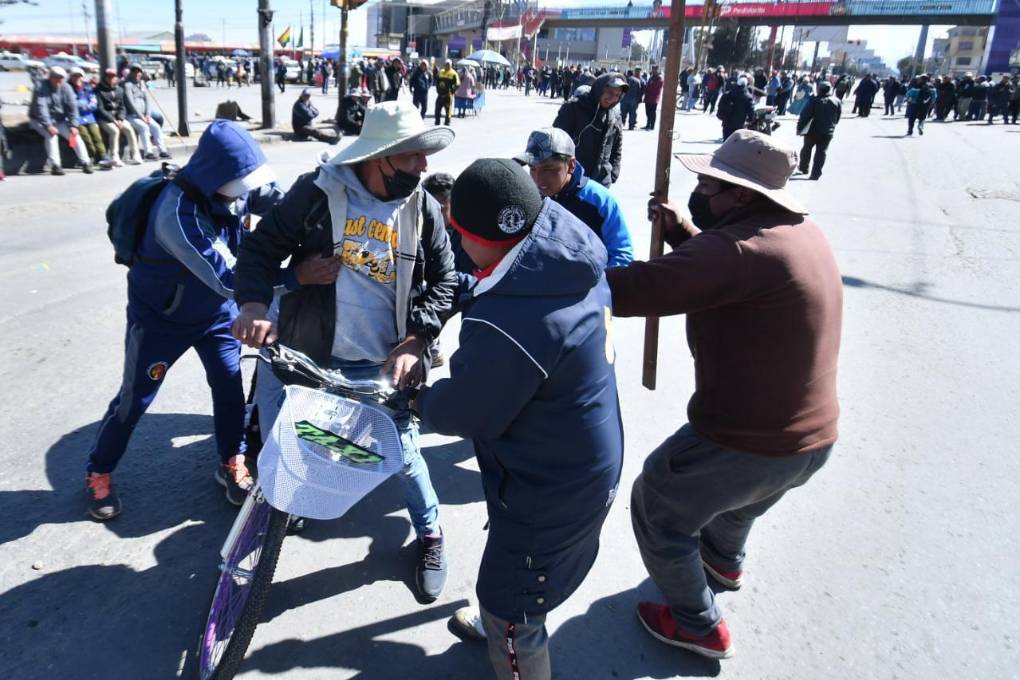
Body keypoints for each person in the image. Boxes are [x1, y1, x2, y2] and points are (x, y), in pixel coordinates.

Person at [606, 130, 842, 660]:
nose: (701, 190)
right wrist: (683, 232)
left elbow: (634, 290)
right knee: (738, 505)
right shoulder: (797, 232)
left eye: (710, 184)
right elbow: (727, 271)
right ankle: (722, 560)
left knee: (658, 502)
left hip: (752, 443)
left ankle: (698, 624)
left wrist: (552, 276)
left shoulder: (735, 249)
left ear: (739, 195)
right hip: (811, 441)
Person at [231, 101, 458, 602]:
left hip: (378, 360)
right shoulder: (317, 193)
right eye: (414, 156)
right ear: (380, 157)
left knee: (402, 453)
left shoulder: (420, 207)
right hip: (305, 350)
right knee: (283, 444)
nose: (424, 167)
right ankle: (281, 509)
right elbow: (261, 250)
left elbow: (446, 280)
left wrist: (416, 340)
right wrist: (254, 305)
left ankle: (431, 535)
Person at [415, 158, 624, 680]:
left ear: (486, 234)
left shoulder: (510, 323)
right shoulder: (564, 259)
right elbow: (483, 279)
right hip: (579, 459)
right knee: (528, 574)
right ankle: (506, 617)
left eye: (460, 234)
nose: (459, 247)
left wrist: (414, 398)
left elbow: (467, 410)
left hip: (549, 486)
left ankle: (507, 631)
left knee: (512, 603)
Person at [85, 120, 285, 520]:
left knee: (229, 388)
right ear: (216, 175)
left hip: (216, 316)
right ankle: (99, 470)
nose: (248, 186)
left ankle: (231, 460)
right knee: (135, 398)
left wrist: (323, 194)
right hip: (161, 321)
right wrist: (301, 275)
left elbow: (280, 201)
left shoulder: (234, 188)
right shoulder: (176, 215)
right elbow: (231, 280)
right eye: (242, 178)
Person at [516, 128, 633, 267]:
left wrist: (599, 287)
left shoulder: (599, 201)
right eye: (532, 169)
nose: (538, 180)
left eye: (548, 170)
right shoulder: (528, 199)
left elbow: (622, 256)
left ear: (570, 165)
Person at [552, 72, 626, 188]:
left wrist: (613, 173)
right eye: (610, 92)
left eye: (617, 95)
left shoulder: (615, 115)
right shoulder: (574, 107)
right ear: (600, 89)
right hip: (573, 179)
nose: (613, 98)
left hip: (601, 182)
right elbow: (555, 141)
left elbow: (617, 147)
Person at [29, 66, 94, 175]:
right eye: (56, 77)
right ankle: (56, 165)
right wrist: (48, 125)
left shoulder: (66, 87)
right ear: (50, 77)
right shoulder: (40, 87)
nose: (59, 80)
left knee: (74, 136)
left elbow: (72, 107)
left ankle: (85, 162)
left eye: (61, 78)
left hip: (59, 120)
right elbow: (41, 108)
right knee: (51, 135)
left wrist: (74, 125)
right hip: (39, 120)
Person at [123, 65, 171, 161]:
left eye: (139, 72)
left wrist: (148, 115)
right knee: (144, 127)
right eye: (135, 72)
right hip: (132, 115)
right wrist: (142, 117)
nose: (137, 74)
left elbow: (147, 101)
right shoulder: (127, 85)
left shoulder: (142, 84)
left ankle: (162, 151)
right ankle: (148, 153)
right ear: (131, 73)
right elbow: (131, 103)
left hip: (145, 115)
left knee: (156, 127)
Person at [796, 80, 841, 181]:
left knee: (807, 149)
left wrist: (800, 128)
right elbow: (837, 118)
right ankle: (815, 174)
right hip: (828, 132)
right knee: (821, 153)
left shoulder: (814, 101)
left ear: (819, 90)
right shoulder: (837, 101)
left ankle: (804, 168)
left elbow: (805, 115)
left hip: (812, 131)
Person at [95, 68, 141, 166]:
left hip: (118, 118)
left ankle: (136, 155)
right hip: (105, 118)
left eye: (113, 76)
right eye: (109, 77)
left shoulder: (119, 89)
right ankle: (114, 156)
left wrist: (120, 118)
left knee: (129, 129)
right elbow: (100, 108)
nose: (111, 79)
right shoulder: (99, 90)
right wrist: (113, 120)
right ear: (105, 77)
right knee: (114, 131)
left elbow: (122, 106)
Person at [68, 68, 110, 169]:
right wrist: (82, 104)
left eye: (79, 76)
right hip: (76, 118)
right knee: (86, 137)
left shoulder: (87, 87)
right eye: (74, 76)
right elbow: (71, 104)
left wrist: (83, 106)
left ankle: (104, 156)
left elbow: (93, 103)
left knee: (97, 136)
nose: (77, 78)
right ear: (71, 77)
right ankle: (92, 156)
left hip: (89, 116)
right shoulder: (68, 88)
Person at [716, 75, 755, 141]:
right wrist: (751, 119)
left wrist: (721, 115)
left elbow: (720, 106)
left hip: (727, 122)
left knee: (726, 141)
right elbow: (751, 110)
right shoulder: (748, 97)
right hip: (739, 123)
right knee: (736, 143)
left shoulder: (727, 94)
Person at [435, 60, 459, 127]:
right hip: (440, 95)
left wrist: (452, 91)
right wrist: (437, 89)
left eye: (448, 64)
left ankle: (447, 123)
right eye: (446, 64)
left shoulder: (454, 73)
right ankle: (437, 122)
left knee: (448, 110)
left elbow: (457, 84)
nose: (447, 66)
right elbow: (436, 81)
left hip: (448, 96)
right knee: (437, 109)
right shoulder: (441, 72)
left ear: (451, 65)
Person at [643, 64, 664, 130]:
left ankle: (652, 126)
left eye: (655, 69)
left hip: (654, 98)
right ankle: (648, 124)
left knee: (652, 112)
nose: (654, 70)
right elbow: (648, 85)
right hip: (648, 97)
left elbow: (655, 87)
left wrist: (648, 88)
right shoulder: (651, 77)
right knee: (647, 112)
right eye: (653, 69)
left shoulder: (659, 78)